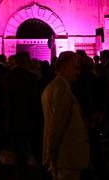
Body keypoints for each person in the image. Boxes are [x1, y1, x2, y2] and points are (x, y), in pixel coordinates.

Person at [41, 51, 89, 180]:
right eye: (74, 67)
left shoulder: (55, 86)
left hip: (63, 155)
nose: (77, 71)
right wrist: (51, 152)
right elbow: (57, 125)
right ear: (63, 67)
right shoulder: (61, 88)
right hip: (66, 155)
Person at [5, 51, 43, 179]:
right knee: (37, 151)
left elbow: (4, 101)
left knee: (19, 154)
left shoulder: (8, 77)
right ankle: (41, 173)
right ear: (26, 62)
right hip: (30, 120)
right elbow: (36, 100)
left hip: (14, 120)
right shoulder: (32, 78)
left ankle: (22, 174)